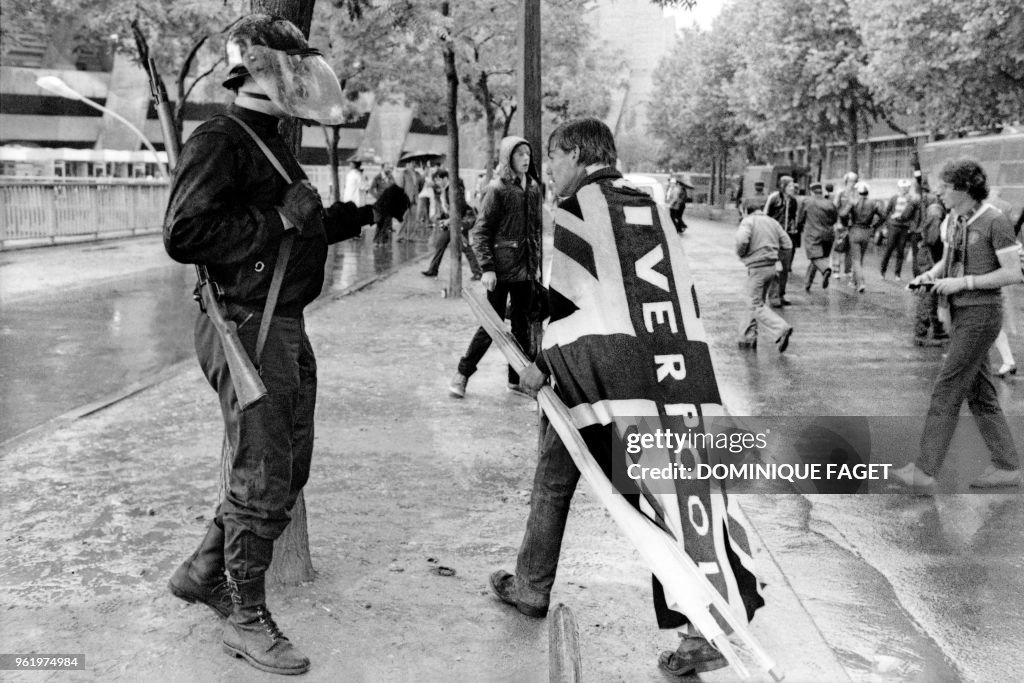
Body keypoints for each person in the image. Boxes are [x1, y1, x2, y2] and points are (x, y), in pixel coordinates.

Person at [162, 14, 406, 676]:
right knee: (264, 474)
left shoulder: (269, 138)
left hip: (281, 325)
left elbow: (298, 229)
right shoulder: (221, 138)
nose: (298, 77)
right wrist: (275, 217)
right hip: (247, 326)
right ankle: (244, 613)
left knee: (286, 469)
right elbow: (184, 233)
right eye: (287, 66)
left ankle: (205, 569)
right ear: (258, 74)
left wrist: (365, 214)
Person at [488, 118, 763, 678]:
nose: (550, 170)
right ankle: (694, 629)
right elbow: (679, 296)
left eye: (555, 158)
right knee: (674, 494)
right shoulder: (652, 207)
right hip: (669, 373)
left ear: (578, 155)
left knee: (567, 485)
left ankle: (536, 589)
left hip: (595, 380)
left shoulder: (574, 212)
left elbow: (570, 310)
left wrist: (539, 367)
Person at [893, 158, 1023, 492]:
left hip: (981, 314)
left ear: (965, 188)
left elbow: (1013, 273)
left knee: (947, 388)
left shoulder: (995, 222)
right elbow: (946, 262)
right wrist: (930, 276)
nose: (940, 193)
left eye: (946, 187)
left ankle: (924, 472)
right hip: (961, 313)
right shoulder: (954, 218)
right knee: (980, 393)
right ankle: (1007, 465)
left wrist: (963, 283)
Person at [448, 136, 542, 399]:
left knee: (522, 327)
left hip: (525, 272)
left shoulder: (533, 188)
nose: (525, 158)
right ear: (507, 158)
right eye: (519, 154)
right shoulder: (497, 189)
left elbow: (535, 230)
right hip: (500, 273)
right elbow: (481, 231)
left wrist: (534, 267)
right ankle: (462, 373)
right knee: (491, 326)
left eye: (528, 154)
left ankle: (517, 380)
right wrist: (487, 268)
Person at [736, 203, 794, 351]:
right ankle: (748, 337)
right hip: (771, 267)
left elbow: (742, 240)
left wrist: (742, 253)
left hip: (757, 267)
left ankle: (781, 328)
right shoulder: (772, 222)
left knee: (754, 304)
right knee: (756, 301)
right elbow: (787, 244)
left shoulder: (748, 221)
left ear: (745, 210)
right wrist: (778, 257)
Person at [420, 178, 482, 279]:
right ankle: (433, 269)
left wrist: (448, 221)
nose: (438, 182)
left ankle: (477, 272)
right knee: (441, 243)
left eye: (438, 180)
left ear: (443, 179)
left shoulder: (454, 191)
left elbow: (459, 210)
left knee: (465, 247)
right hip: (453, 222)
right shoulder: (448, 189)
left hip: (459, 222)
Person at [911, 189, 949, 346]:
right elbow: (933, 239)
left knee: (932, 292)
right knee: (929, 293)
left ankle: (937, 329)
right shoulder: (935, 211)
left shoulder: (932, 208)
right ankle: (922, 331)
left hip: (929, 253)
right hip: (931, 255)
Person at [839, 181, 887, 293]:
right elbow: (883, 216)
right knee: (860, 258)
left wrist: (846, 224)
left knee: (855, 259)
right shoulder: (874, 203)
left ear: (858, 192)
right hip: (866, 231)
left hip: (855, 230)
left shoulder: (853, 202)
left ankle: (860, 282)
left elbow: (843, 214)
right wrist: (874, 226)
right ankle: (854, 281)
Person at [764, 176, 800, 306]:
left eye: (793, 186)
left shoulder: (793, 201)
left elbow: (794, 218)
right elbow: (765, 215)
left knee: (785, 268)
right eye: (790, 186)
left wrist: (794, 230)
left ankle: (781, 294)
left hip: (787, 237)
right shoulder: (774, 198)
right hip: (773, 236)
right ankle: (773, 296)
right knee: (775, 267)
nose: (793, 188)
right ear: (783, 186)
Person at [797, 182, 837, 291]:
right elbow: (835, 219)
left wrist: (798, 227)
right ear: (821, 191)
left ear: (811, 191)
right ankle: (807, 283)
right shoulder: (830, 203)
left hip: (813, 235)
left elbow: (800, 219)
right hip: (828, 235)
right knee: (819, 258)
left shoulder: (807, 202)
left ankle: (825, 270)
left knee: (814, 257)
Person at [880, 179, 920, 281]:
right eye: (902, 188)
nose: (904, 189)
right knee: (889, 248)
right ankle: (883, 270)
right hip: (893, 226)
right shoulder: (894, 198)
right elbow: (887, 212)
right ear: (899, 188)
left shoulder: (911, 199)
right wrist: (885, 226)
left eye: (906, 188)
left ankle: (897, 274)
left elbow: (913, 215)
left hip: (904, 227)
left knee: (901, 251)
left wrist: (911, 226)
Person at [831, 171, 859, 279]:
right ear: (846, 181)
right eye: (851, 181)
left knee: (850, 248)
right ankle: (836, 270)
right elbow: (834, 208)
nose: (853, 183)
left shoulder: (857, 193)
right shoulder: (841, 192)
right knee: (838, 247)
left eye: (855, 181)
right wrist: (836, 222)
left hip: (853, 225)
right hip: (841, 224)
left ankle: (847, 270)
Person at [370, 164, 396, 245]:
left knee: (387, 222)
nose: (389, 168)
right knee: (380, 222)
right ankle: (377, 240)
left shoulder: (391, 177)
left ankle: (384, 240)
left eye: (389, 167)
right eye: (387, 167)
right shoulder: (378, 177)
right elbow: (371, 189)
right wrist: (378, 197)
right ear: (382, 168)